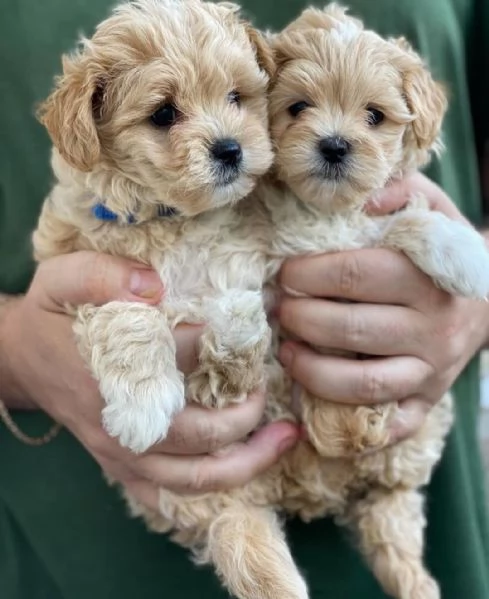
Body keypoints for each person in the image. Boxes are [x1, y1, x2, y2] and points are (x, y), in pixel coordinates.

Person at [0, 0, 487, 597]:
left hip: (422, 475)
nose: (227, 134)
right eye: (163, 114)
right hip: (75, 531)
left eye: (238, 98)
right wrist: (14, 351)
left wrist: (480, 291)